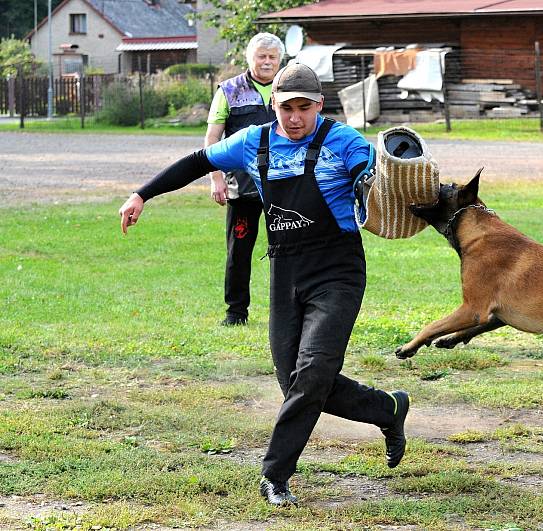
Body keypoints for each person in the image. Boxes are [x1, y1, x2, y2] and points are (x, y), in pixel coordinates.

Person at [118, 63, 410, 506]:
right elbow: (199, 161)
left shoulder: (344, 142)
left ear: (319, 105)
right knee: (293, 380)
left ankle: (274, 475)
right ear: (272, 105)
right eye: (285, 107)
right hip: (285, 271)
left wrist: (383, 184)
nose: (294, 118)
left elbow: (372, 180)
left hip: (337, 271)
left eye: (304, 108)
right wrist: (142, 193)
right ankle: (388, 409)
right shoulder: (254, 141)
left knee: (312, 373)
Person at [206, 32, 282, 326]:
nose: (266, 62)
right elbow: (212, 138)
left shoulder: (289, 87)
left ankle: (287, 310)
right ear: (249, 58)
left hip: (283, 187)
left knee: (288, 251)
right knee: (238, 252)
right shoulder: (228, 91)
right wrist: (216, 178)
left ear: (280, 60)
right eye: (261, 56)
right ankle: (235, 312)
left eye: (271, 57)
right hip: (242, 188)